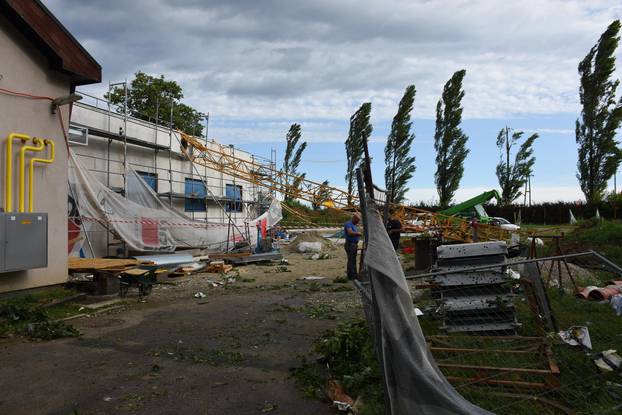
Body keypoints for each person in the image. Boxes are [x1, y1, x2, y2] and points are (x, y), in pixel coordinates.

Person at [344, 213, 362, 280]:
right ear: (354, 218)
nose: (357, 223)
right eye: (357, 221)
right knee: (351, 260)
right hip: (350, 244)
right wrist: (358, 233)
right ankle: (351, 276)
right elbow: (350, 232)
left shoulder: (354, 225)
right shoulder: (348, 224)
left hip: (354, 244)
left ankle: (354, 275)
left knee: (353, 259)